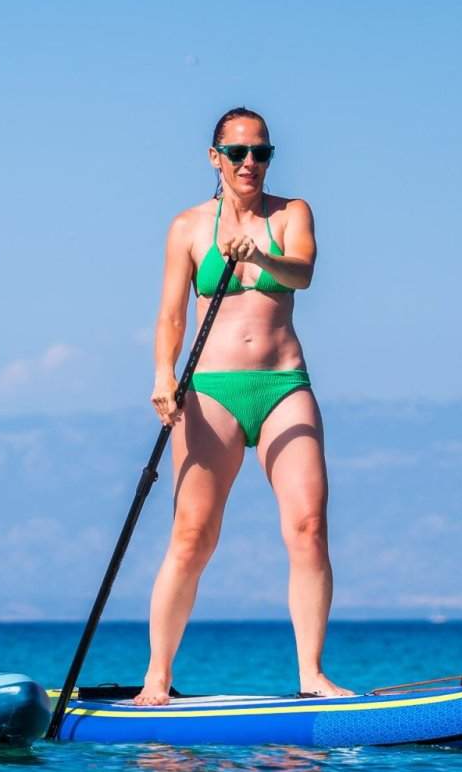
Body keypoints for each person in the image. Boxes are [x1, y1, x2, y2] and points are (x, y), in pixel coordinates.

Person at [138, 107, 353, 704]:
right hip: (210, 392)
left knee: (309, 528)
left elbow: (303, 273)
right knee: (192, 536)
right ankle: (157, 679)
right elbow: (171, 315)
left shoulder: (292, 214)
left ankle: (311, 676)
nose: (250, 163)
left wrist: (258, 256)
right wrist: (163, 374)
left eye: (261, 152)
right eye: (238, 153)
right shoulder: (187, 227)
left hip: (284, 386)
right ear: (216, 159)